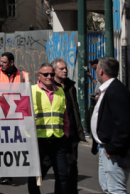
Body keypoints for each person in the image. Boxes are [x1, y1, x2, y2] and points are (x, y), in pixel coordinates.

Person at [92, 57, 130, 194]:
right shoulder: (108, 89)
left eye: (96, 69)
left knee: (116, 189)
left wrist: (112, 147)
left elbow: (123, 125)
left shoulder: (116, 91)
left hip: (114, 151)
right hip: (105, 147)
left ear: (101, 71)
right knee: (107, 188)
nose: (96, 71)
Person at [28, 63, 69, 194]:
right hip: (38, 140)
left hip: (58, 139)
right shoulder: (31, 91)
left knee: (62, 174)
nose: (49, 77)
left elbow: (65, 116)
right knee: (36, 175)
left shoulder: (60, 91)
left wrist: (66, 133)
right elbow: (21, 116)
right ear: (39, 76)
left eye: (51, 74)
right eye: (46, 74)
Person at [52, 58, 84, 194]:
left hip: (71, 134)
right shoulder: (50, 87)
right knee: (56, 168)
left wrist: (78, 130)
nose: (65, 71)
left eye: (65, 68)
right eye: (61, 69)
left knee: (72, 167)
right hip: (55, 134)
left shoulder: (70, 86)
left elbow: (74, 109)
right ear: (54, 71)